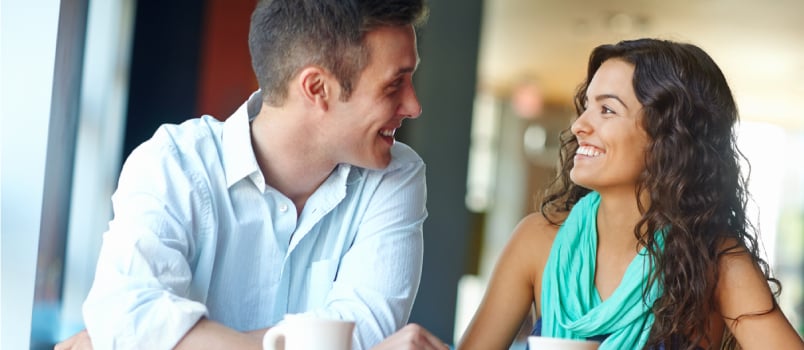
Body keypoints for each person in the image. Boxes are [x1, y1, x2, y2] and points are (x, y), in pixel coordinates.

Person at [55, 0, 449, 349]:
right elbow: (129, 315)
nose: (413, 106)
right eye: (394, 84)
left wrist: (162, 339)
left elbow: (366, 335)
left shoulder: (396, 175)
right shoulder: (173, 163)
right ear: (317, 88)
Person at [457, 38, 804, 349]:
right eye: (587, 106)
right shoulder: (536, 240)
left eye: (607, 110)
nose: (579, 125)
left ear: (668, 139)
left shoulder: (716, 261)